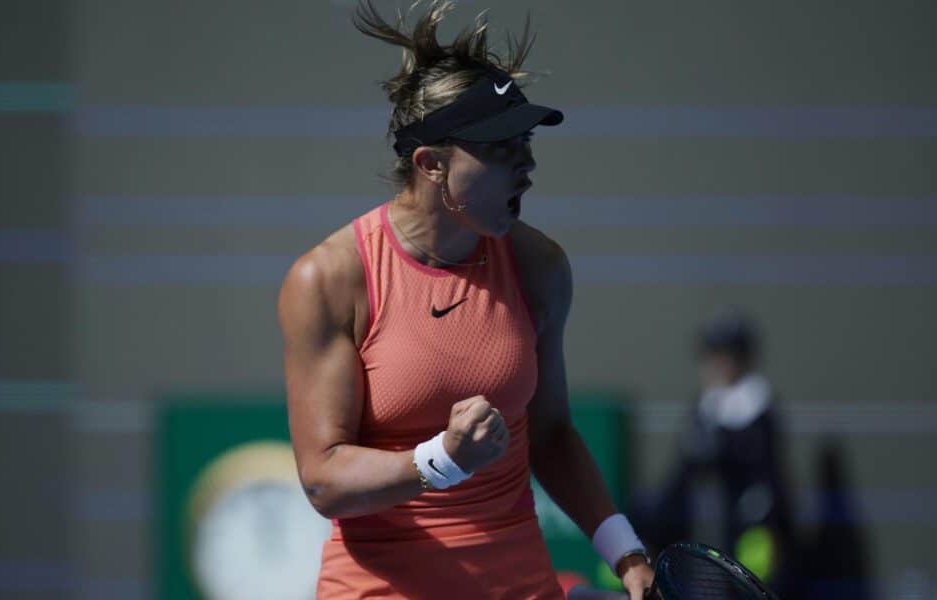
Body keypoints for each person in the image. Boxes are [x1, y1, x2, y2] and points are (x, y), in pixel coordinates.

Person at [277, 1, 656, 598]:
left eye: (526, 141)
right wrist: (442, 459)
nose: (527, 166)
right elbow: (323, 479)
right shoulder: (328, 279)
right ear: (431, 164)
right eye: (502, 148)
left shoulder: (540, 267)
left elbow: (551, 433)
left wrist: (627, 554)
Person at [634, 308, 804, 598]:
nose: (719, 364)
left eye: (728, 355)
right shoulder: (704, 408)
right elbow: (681, 474)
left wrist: (762, 518)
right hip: (701, 532)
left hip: (747, 528)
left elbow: (768, 476)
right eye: (714, 355)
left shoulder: (759, 409)